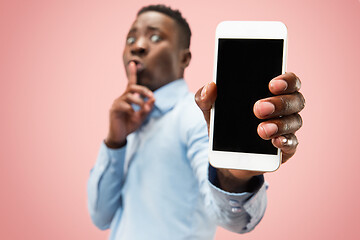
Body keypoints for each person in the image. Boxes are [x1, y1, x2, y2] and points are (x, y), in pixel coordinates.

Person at [87, 4, 305, 240]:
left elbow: (234, 219)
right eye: (131, 38)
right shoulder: (129, 122)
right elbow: (100, 216)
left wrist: (233, 179)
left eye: (155, 37)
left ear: (184, 58)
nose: (137, 46)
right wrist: (114, 141)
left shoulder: (193, 118)